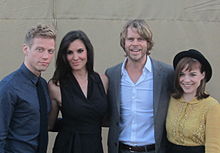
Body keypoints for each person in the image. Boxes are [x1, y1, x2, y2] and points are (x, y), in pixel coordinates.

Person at [105, 19, 173, 153]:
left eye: (140, 39)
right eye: (130, 39)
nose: (135, 44)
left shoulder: (166, 74)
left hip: (154, 149)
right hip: (121, 149)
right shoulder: (112, 75)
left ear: (148, 43)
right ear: (124, 43)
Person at [48, 30, 108, 153]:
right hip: (68, 146)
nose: (75, 57)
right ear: (64, 56)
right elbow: (49, 124)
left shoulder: (103, 81)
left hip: (95, 146)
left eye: (80, 51)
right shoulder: (56, 85)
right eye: (70, 52)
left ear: (88, 52)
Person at [0, 24, 56, 153]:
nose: (46, 56)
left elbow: (39, 120)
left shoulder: (42, 84)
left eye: (50, 51)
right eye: (40, 49)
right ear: (26, 49)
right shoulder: (8, 87)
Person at [166, 49, 220, 153]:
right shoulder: (171, 100)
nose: (186, 80)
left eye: (192, 74)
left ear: (202, 75)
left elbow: (213, 146)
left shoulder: (211, 106)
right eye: (181, 74)